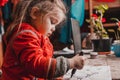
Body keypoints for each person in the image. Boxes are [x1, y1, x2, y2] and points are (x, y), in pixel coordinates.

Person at [1, 0, 86, 80]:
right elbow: (38, 66)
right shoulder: (25, 36)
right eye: (52, 22)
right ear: (35, 13)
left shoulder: (41, 38)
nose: (54, 29)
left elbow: (46, 72)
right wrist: (71, 63)